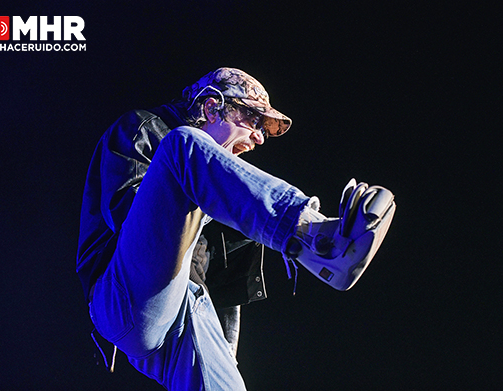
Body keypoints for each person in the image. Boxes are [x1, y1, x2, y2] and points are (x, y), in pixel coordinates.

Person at [76, 68, 396, 390]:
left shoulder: (221, 191)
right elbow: (132, 221)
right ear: (211, 107)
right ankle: (317, 238)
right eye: (253, 120)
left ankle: (319, 247)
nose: (258, 137)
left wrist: (226, 355)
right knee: (184, 145)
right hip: (123, 294)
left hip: (181, 311)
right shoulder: (148, 129)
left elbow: (223, 289)